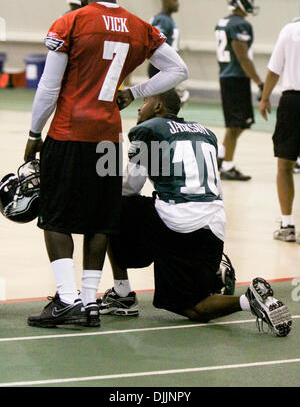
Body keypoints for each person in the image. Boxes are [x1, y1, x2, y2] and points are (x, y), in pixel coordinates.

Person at [23, 0, 188, 329]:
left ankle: (66, 300)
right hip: (109, 138)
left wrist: (35, 134)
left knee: (55, 216)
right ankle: (89, 302)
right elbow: (179, 69)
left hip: (69, 133)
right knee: (100, 221)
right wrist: (136, 92)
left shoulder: (73, 22)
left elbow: (49, 88)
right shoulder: (139, 26)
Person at [98, 89, 292, 337]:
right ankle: (246, 299)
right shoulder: (205, 133)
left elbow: (130, 187)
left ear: (158, 107)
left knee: (108, 204)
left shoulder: (150, 130)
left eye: (144, 102)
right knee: (196, 305)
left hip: (178, 224)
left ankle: (122, 295)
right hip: (214, 227)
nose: (139, 108)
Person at [215, 0, 264, 180]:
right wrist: (260, 83)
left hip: (227, 76)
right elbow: (243, 58)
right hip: (236, 77)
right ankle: (227, 165)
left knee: (238, 123)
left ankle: (221, 153)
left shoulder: (223, 22)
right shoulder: (240, 25)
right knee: (236, 124)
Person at [259, 18, 300, 243]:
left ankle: (287, 224)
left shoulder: (290, 29)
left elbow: (274, 69)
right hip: (292, 102)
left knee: (285, 164)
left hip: (292, 102)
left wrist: (265, 98)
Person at [148, 0, 190, 106]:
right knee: (162, 102)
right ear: (166, 2)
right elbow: (156, 42)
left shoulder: (167, 19)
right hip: (161, 65)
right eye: (175, 0)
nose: (178, 4)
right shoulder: (163, 20)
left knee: (164, 101)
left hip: (165, 64)